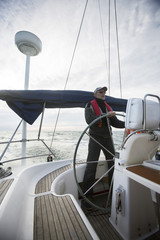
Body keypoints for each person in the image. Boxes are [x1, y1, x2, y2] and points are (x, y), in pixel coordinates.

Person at [82, 86, 125, 205]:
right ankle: (88, 199)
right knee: (91, 166)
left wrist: (129, 124)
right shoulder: (89, 105)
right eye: (101, 92)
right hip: (95, 138)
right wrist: (106, 116)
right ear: (95, 94)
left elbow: (115, 123)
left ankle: (112, 193)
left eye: (104, 92)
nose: (103, 93)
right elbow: (90, 120)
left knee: (113, 164)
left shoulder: (107, 107)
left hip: (108, 139)